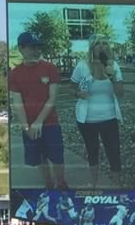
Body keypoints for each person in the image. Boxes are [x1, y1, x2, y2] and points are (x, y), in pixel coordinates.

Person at [8, 31, 69, 194]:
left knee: (57, 156)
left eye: (38, 47)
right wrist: (25, 126)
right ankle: (48, 184)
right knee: (39, 158)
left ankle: (61, 183)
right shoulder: (15, 74)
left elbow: (52, 98)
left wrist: (39, 121)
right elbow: (17, 102)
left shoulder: (49, 68)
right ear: (21, 48)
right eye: (31, 47)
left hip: (50, 122)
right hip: (29, 125)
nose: (36, 50)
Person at [72, 39, 125, 185]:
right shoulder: (82, 66)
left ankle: (117, 183)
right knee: (92, 150)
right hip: (87, 119)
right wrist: (78, 94)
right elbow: (73, 86)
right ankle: (94, 183)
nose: (102, 46)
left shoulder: (113, 66)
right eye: (97, 43)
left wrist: (113, 76)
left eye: (105, 43)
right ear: (91, 47)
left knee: (113, 152)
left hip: (109, 117)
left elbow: (120, 93)